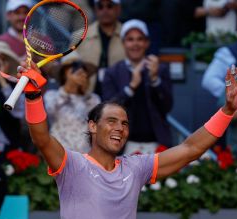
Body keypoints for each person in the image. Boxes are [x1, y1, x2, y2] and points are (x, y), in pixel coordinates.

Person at [18, 52, 237, 219]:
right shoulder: (72, 166)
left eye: (124, 124)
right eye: (111, 121)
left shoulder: (135, 168)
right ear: (93, 126)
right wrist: (33, 96)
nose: (119, 128)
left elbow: (190, 148)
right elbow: (42, 139)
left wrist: (227, 111)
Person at [102, 19, 173, 153]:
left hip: (156, 144)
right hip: (123, 145)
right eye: (130, 39)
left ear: (147, 43)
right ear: (123, 43)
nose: (135, 44)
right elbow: (108, 110)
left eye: (140, 39)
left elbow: (167, 106)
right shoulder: (112, 72)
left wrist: (155, 80)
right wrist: (131, 87)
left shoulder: (160, 69)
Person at [44, 52, 100, 153]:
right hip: (59, 153)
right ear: (64, 73)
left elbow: (96, 124)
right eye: (73, 68)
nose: (80, 71)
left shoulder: (93, 99)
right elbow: (51, 110)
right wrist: (68, 87)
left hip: (85, 155)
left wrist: (84, 91)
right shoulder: (52, 96)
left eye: (82, 68)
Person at [77, 0, 125, 96]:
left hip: (121, 97)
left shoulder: (129, 36)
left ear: (118, 9)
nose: (105, 10)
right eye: (100, 6)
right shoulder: (80, 35)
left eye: (110, 6)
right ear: (95, 9)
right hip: (86, 97)